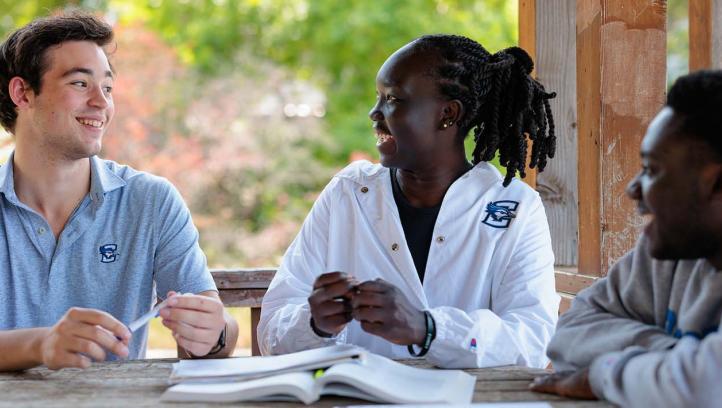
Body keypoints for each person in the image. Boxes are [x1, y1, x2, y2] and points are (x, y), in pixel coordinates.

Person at [259, 34, 560, 368]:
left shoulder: (516, 207)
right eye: (378, 98)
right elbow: (272, 330)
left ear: (447, 113)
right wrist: (314, 323)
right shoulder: (347, 194)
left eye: (394, 99)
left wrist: (427, 329)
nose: (375, 113)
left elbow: (533, 340)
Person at [0, 12, 238, 371]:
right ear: (22, 92)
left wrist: (214, 333)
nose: (102, 102)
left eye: (107, 88)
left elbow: (222, 333)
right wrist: (42, 343)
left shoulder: (152, 201)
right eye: (80, 84)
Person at [530, 70, 722, 407]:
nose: (632, 188)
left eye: (651, 170)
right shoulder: (669, 254)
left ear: (715, 183)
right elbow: (569, 335)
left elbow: (704, 388)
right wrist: (674, 357)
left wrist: (602, 374)